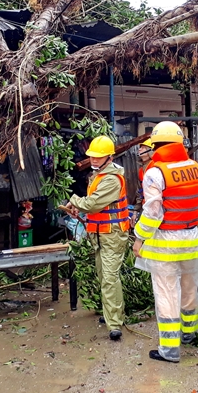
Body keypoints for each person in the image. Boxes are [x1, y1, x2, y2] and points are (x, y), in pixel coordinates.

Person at [133, 121, 198, 363]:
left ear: (156, 145)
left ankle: (169, 349)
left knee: (167, 293)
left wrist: (138, 238)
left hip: (165, 246)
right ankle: (190, 334)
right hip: (191, 240)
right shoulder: (194, 167)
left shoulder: (155, 172)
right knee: (191, 288)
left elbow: (152, 213)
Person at [66, 135, 130, 341]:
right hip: (101, 235)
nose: (93, 160)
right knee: (104, 277)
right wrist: (78, 209)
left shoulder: (111, 179)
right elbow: (94, 207)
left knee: (110, 279)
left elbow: (93, 204)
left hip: (113, 235)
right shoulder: (99, 175)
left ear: (109, 158)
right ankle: (111, 314)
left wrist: (74, 201)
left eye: (98, 157)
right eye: (92, 156)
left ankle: (114, 324)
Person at [134, 138, 154, 220]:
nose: (139, 149)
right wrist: (136, 211)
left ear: (150, 151)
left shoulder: (155, 167)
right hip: (146, 206)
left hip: (155, 208)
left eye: (143, 147)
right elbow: (140, 192)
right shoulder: (141, 170)